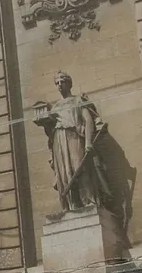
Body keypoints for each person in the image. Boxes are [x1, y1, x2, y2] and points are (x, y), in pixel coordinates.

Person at [32, 71, 111, 213]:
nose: (60, 85)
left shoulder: (78, 100)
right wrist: (46, 124)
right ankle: (71, 204)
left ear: (69, 83)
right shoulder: (55, 108)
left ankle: (89, 201)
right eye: (57, 83)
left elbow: (88, 121)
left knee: (80, 168)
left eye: (62, 81)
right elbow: (50, 133)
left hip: (74, 137)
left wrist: (88, 142)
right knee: (64, 173)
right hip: (59, 141)